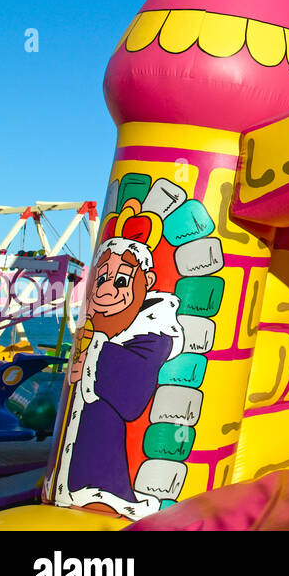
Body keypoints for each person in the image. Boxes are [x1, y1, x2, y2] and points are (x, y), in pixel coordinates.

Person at [50, 204, 183, 519]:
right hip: (66, 481)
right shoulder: (97, 330)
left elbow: (132, 399)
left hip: (103, 491)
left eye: (121, 281)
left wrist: (96, 353)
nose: (106, 289)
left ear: (147, 281)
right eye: (101, 279)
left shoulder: (153, 335)